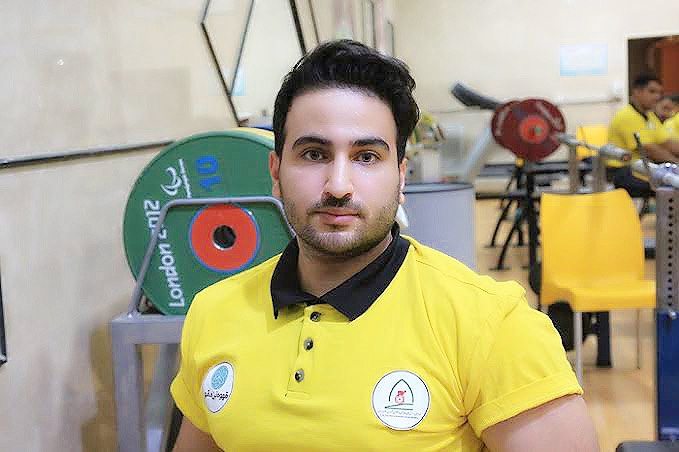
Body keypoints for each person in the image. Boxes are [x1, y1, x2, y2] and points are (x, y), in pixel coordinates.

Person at [170, 40, 599, 451]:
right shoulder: (212, 312)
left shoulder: (492, 324)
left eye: (367, 157)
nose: (338, 186)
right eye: (314, 154)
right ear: (276, 172)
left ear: (401, 176)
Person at [608, 75, 679, 197]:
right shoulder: (627, 116)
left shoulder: (650, 116)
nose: (657, 97)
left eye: (659, 93)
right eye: (652, 91)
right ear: (637, 92)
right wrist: (676, 163)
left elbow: (667, 142)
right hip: (623, 172)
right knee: (671, 188)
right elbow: (649, 149)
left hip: (645, 169)